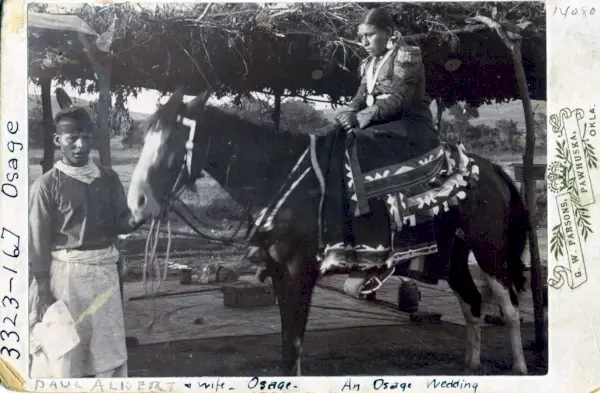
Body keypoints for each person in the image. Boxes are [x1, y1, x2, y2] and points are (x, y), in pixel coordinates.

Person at [322, 7, 442, 292]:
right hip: (382, 127)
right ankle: (345, 242)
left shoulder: (406, 55)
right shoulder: (369, 63)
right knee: (333, 141)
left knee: (358, 142)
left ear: (388, 33)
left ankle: (377, 246)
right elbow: (360, 97)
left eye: (370, 35)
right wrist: (348, 112)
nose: (364, 42)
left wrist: (365, 116)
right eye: (362, 37)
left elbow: (401, 99)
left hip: (411, 127)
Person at [29, 105, 143, 378]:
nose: (80, 145)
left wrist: (141, 214)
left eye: (87, 138)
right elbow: (37, 241)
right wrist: (44, 290)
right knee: (66, 351)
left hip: (104, 275)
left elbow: (121, 222)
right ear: (58, 140)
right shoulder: (47, 185)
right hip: (67, 278)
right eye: (72, 138)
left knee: (106, 350)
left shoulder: (108, 178)